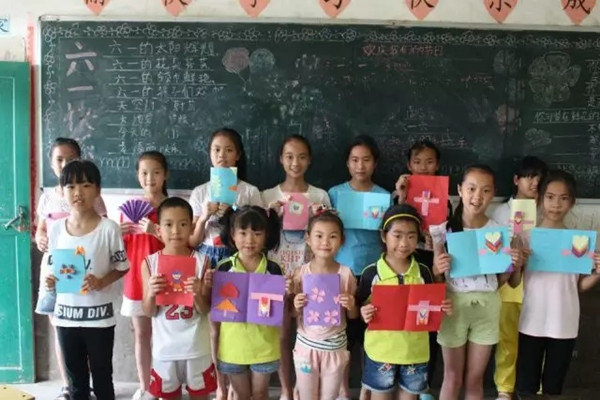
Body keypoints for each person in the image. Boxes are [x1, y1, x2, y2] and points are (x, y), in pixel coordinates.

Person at [433, 165, 523, 400]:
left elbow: (509, 282)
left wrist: (514, 264)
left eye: (485, 190)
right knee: (452, 377)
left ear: (493, 193)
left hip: (487, 307)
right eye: (471, 188)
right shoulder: (444, 231)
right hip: (453, 306)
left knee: (475, 379)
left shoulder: (501, 233)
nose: (477, 196)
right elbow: (436, 279)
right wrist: (437, 269)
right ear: (460, 190)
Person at [188, 127, 263, 399]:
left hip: (239, 261)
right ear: (210, 154)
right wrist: (204, 217)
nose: (222, 155)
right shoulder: (200, 192)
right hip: (209, 260)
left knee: (237, 322)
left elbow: (259, 232)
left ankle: (236, 382)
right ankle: (221, 385)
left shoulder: (249, 191)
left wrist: (233, 214)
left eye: (229, 150)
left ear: (238, 155)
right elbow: (193, 240)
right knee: (215, 325)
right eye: (217, 150)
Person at [44, 160, 129, 400]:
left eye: (85, 185)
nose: (78, 192)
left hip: (99, 319)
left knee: (102, 379)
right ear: (62, 191)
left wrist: (101, 281)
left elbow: (122, 267)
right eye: (70, 186)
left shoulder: (109, 229)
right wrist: (51, 281)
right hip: (66, 318)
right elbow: (54, 268)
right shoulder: (56, 229)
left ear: (98, 190)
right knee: (76, 383)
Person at [515, 170, 600, 396]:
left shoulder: (579, 241)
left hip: (564, 321)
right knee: (526, 385)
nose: (556, 204)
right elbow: (514, 283)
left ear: (571, 202)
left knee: (554, 385)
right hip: (532, 319)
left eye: (564, 198)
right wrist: (517, 263)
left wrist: (597, 274)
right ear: (540, 198)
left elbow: (579, 286)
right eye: (550, 197)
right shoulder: (525, 238)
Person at [34, 138, 107, 400]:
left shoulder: (91, 196)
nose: (65, 163)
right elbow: (41, 228)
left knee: (84, 330)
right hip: (54, 269)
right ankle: (69, 384)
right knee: (60, 327)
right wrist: (40, 237)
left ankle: (86, 384)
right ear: (51, 163)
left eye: (71, 158)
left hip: (84, 269)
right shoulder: (48, 197)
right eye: (59, 159)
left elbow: (102, 230)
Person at [262, 134, 331, 400]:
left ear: (309, 160)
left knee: (309, 335)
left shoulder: (319, 195)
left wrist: (319, 216)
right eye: (289, 156)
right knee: (281, 335)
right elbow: (259, 240)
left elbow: (328, 234)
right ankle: (286, 390)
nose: (295, 163)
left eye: (302, 157)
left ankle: (305, 388)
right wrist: (270, 216)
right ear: (281, 159)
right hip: (276, 273)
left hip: (311, 274)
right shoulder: (268, 195)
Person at [359, 204, 453, 400]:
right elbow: (359, 308)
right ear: (384, 236)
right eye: (397, 235)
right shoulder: (371, 273)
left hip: (415, 353)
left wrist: (442, 307)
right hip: (381, 353)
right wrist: (363, 312)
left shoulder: (423, 272)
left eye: (411, 236)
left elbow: (432, 307)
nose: (404, 243)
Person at [328, 135, 390, 400]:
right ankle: (342, 389)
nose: (360, 166)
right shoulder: (335, 194)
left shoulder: (384, 196)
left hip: (374, 274)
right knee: (342, 334)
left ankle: (367, 386)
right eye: (354, 160)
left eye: (366, 160)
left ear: (375, 163)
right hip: (342, 273)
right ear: (347, 163)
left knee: (371, 334)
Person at [394, 140, 453, 399]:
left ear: (437, 165)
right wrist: (402, 195)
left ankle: (424, 384)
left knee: (428, 321)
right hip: (405, 264)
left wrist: (435, 238)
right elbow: (392, 225)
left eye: (429, 162)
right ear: (409, 165)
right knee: (402, 320)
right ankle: (397, 380)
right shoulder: (399, 193)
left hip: (431, 266)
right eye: (417, 162)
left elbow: (449, 235)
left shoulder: (445, 199)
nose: (423, 167)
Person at [141, 197, 216, 400]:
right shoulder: (149, 263)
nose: (175, 231)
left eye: (183, 224)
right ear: (158, 230)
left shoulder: (202, 261)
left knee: (200, 396)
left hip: (196, 348)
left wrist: (198, 292)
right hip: (165, 349)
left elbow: (205, 309)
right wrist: (151, 293)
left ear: (191, 227)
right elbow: (148, 311)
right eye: (168, 224)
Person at [490, 156, 547, 400]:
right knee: (507, 340)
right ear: (516, 180)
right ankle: (505, 388)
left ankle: (533, 387)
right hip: (509, 284)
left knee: (538, 339)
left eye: (539, 179)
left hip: (539, 282)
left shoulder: (546, 211)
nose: (535, 183)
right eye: (529, 177)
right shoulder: (500, 212)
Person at [215, 206, 284, 400]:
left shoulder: (273, 269)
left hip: (264, 346)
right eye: (243, 233)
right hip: (233, 347)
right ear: (233, 235)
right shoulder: (223, 268)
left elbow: (280, 308)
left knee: (261, 394)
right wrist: (206, 286)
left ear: (266, 236)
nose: (250, 240)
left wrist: (287, 292)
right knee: (241, 395)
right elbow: (212, 308)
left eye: (257, 233)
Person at [291, 210, 358, 399]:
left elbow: (352, 316)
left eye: (333, 236)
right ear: (308, 239)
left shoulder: (346, 274)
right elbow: (292, 314)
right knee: (307, 395)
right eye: (319, 236)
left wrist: (351, 305)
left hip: (335, 349)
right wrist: (296, 304)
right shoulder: (301, 273)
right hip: (306, 348)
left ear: (342, 240)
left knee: (329, 396)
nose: (325, 242)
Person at [120, 151, 169, 400]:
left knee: (165, 335)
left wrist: (155, 231)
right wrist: (117, 235)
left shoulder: (171, 208)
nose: (150, 178)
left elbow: (182, 243)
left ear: (165, 175)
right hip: (136, 280)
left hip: (167, 279)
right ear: (138, 176)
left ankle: (165, 386)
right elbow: (120, 252)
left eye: (156, 172)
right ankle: (145, 386)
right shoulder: (129, 210)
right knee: (141, 334)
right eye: (144, 173)